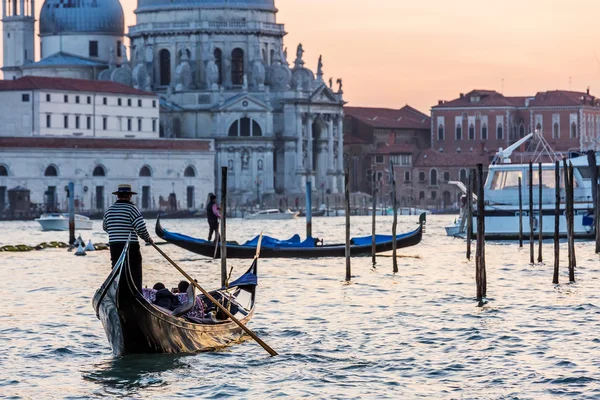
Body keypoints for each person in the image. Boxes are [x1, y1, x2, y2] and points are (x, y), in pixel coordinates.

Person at [103, 184, 153, 290]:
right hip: (131, 246)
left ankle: (118, 291)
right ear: (129, 196)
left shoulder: (109, 211)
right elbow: (140, 228)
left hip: (114, 246)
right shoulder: (132, 209)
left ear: (118, 196)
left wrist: (115, 233)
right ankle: (137, 292)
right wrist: (147, 238)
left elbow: (105, 227)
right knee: (134, 269)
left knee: (117, 269)